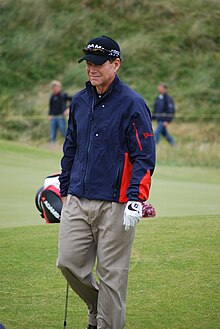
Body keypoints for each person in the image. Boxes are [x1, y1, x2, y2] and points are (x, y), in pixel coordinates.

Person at [57, 36, 156, 329]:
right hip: (77, 197)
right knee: (68, 263)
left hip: (116, 203)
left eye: (98, 64)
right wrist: (64, 189)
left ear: (116, 64)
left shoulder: (133, 104)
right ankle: (101, 308)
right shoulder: (79, 100)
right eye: (88, 64)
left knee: (112, 275)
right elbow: (70, 146)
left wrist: (136, 198)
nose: (92, 69)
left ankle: (105, 322)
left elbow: (144, 155)